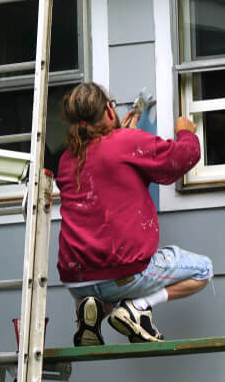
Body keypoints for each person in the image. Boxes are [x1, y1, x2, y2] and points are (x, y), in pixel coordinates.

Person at [55, 82, 213, 346]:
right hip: (126, 276)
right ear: (108, 109)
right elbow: (182, 157)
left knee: (102, 288)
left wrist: (120, 137)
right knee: (203, 270)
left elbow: (104, 172)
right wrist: (185, 133)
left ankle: (90, 313)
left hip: (77, 282)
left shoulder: (67, 159)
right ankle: (138, 308)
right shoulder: (126, 143)